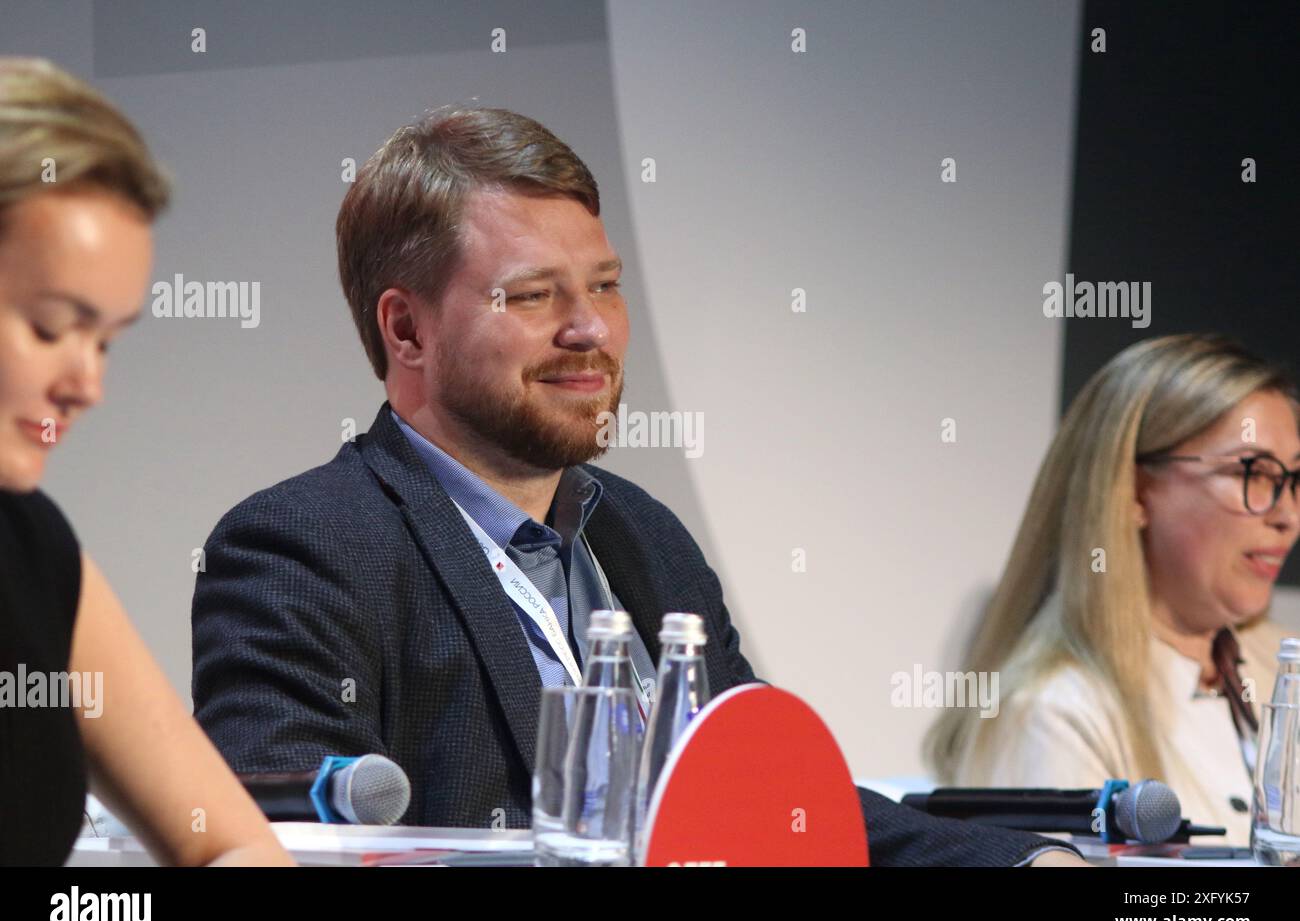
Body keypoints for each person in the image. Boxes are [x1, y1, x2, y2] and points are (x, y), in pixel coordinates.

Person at [191, 105, 1084, 865]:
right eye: (534, 295)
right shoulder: (301, 546)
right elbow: (303, 842)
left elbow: (779, 804)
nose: (592, 329)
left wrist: (1026, 862)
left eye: (607, 286)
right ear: (407, 329)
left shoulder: (644, 537)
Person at [0, 57, 292, 866]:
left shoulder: (32, 550)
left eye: (108, 342)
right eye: (54, 328)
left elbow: (231, 846)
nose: (86, 385)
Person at [926, 333, 1300, 846]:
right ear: (1134, 491)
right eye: (1251, 472)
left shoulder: (1281, 673)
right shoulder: (1056, 713)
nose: (1288, 516)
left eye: (1294, 479)